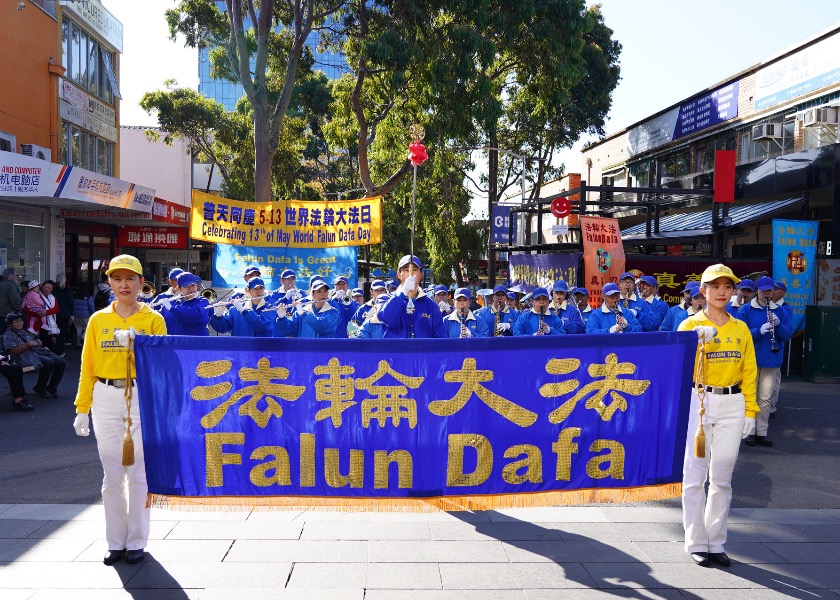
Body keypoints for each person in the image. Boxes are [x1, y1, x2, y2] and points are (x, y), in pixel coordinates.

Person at [72, 254, 167, 566]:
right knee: (112, 474)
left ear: (142, 282)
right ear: (109, 283)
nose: (123, 284)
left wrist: (139, 347)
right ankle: (116, 543)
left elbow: (163, 368)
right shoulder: (99, 320)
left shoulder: (153, 320)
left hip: (141, 398)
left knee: (139, 472)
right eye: (117, 278)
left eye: (130, 278)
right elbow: (88, 366)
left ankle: (137, 540)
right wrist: (82, 408)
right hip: (105, 397)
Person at [678, 263, 758, 568]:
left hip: (732, 403)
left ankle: (716, 541)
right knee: (695, 475)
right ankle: (696, 541)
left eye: (727, 287)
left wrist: (750, 409)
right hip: (699, 401)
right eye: (715, 287)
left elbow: (749, 371)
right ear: (703, 291)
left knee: (722, 477)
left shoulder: (740, 329)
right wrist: (694, 343)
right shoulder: (688, 326)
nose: (721, 292)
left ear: (734, 291)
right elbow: (677, 366)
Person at [737, 276, 792, 447]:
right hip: (751, 360)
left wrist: (778, 325)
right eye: (763, 290)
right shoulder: (746, 309)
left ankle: (762, 431)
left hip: (771, 359)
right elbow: (740, 335)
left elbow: (788, 334)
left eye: (769, 290)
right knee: (750, 395)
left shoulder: (780, 310)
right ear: (757, 290)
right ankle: (750, 431)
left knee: (766, 398)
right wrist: (758, 331)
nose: (767, 293)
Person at [3, 312, 66, 398]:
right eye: (16, 321)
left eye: (21, 320)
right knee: (48, 362)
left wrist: (38, 342)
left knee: (61, 361)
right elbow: (13, 351)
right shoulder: (8, 335)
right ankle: (40, 387)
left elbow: (35, 341)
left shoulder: (24, 331)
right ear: (10, 324)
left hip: (35, 351)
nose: (20, 323)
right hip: (23, 356)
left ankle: (52, 387)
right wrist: (28, 345)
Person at [378, 255, 445, 338]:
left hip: (421, 351)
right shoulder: (385, 299)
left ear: (421, 275)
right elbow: (388, 318)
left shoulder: (432, 306)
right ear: (399, 274)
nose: (411, 274)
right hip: (396, 350)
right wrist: (403, 292)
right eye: (407, 270)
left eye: (415, 270)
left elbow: (440, 339)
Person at [209, 277, 275, 337]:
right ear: (248, 291)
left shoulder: (269, 308)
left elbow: (262, 326)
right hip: (240, 348)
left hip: (262, 349)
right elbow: (222, 328)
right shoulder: (235, 309)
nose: (258, 291)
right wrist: (218, 316)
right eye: (255, 289)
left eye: (261, 288)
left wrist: (243, 311)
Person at [275, 278, 339, 338]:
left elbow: (323, 327)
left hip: (323, 349)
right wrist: (282, 318)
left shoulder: (333, 312)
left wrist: (304, 314)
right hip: (304, 348)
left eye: (325, 291)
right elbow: (289, 331)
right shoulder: (299, 313)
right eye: (319, 291)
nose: (323, 294)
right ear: (312, 294)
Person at [157, 272, 211, 336]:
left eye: (193, 285)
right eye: (186, 286)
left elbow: (196, 316)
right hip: (173, 343)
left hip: (195, 344)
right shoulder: (171, 302)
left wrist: (172, 309)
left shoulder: (202, 301)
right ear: (179, 288)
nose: (191, 289)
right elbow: (157, 320)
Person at [768, 281, 792, 419]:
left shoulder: (785, 308)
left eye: (776, 289)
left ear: (782, 292)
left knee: (774, 382)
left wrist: (777, 324)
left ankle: (771, 407)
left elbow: (787, 331)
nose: (773, 291)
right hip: (761, 349)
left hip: (776, 348)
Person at [53, 274, 75, 356]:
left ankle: (55, 349)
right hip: (65, 314)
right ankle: (60, 350)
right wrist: (71, 313)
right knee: (61, 334)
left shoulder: (54, 289)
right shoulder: (67, 290)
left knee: (54, 333)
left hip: (55, 313)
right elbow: (71, 303)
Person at [0, 268, 23, 334]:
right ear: (10, 275)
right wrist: (19, 312)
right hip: (8, 316)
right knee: (9, 338)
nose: (17, 277)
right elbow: (15, 302)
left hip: (2, 315)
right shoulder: (11, 285)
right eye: (16, 275)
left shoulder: (1, 284)